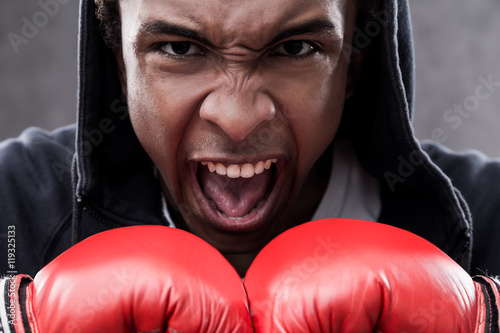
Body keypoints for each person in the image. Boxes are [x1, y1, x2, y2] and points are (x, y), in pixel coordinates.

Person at [1, 0, 500, 331]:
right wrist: (15, 318)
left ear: (355, 61)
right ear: (119, 60)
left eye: (295, 48)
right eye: (179, 48)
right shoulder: (15, 205)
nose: (237, 121)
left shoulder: (489, 214)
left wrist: (483, 316)